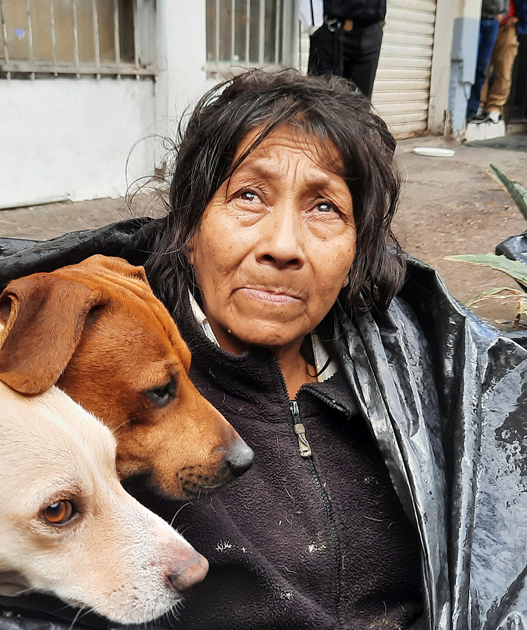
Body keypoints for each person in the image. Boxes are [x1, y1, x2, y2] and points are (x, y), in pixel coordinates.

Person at [140, 70, 424, 629]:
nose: (283, 246)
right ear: (190, 226)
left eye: (325, 208)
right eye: (248, 195)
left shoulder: (416, 385)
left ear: (357, 252)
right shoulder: (120, 384)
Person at [305, 0, 387, 98]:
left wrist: (382, 15)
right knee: (322, 99)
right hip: (331, 27)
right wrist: (313, 25)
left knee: (361, 102)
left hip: (369, 29)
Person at [467, 0, 509, 120]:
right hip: (477, 18)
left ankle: (472, 109)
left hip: (493, 21)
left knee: (482, 66)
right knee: (470, 63)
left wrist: (502, 13)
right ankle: (466, 107)